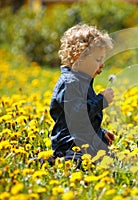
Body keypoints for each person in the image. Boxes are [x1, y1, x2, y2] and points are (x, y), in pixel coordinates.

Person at [49, 24, 115, 165]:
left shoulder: (83, 81)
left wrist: (100, 132)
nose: (102, 64)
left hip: (86, 143)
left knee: (113, 161)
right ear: (79, 57)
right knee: (77, 163)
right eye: (98, 60)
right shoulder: (70, 83)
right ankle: (51, 161)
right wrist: (101, 101)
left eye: (103, 59)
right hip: (70, 146)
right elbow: (78, 116)